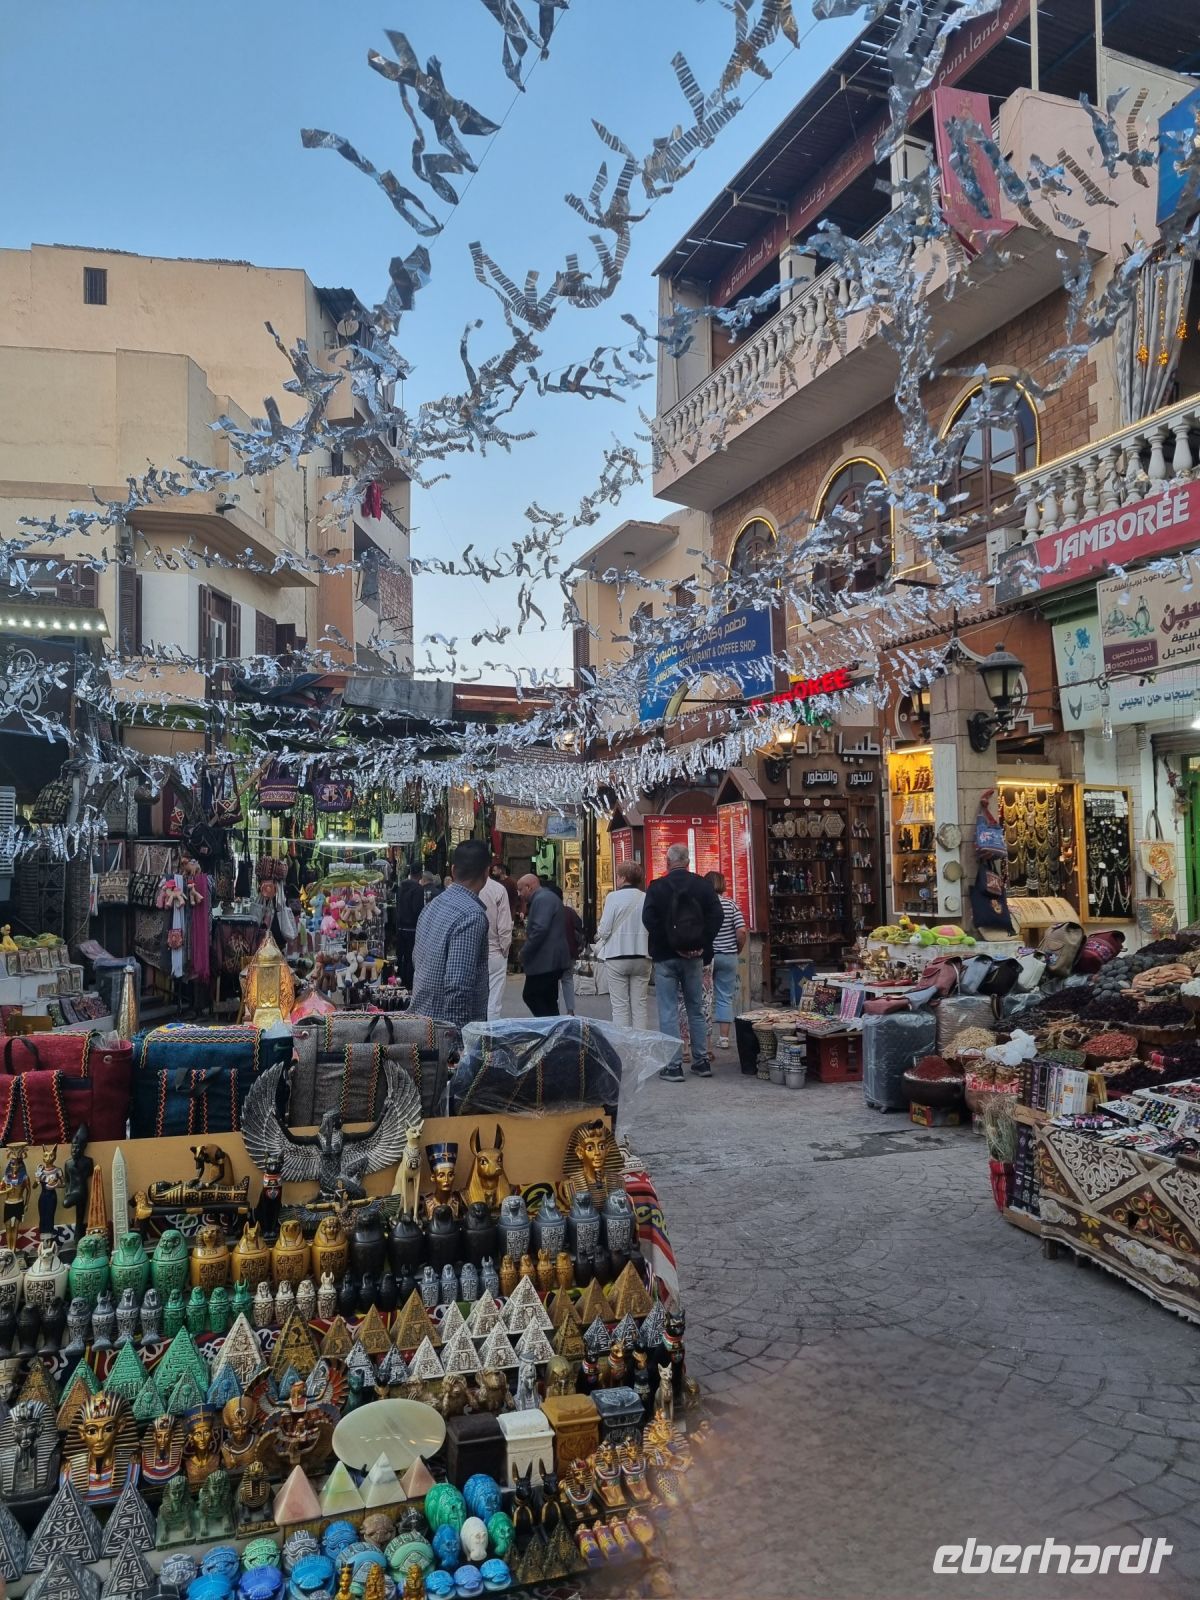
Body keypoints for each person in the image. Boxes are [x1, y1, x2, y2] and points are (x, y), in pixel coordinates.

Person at [641, 843, 723, 1082]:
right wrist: (701, 942)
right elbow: (717, 915)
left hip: (666, 957)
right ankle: (701, 1061)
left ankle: (673, 1066)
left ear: (667, 863)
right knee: (695, 1008)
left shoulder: (657, 888)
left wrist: (670, 942)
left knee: (667, 1010)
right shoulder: (703, 886)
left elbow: (649, 919)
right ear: (688, 862)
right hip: (695, 956)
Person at [409, 840, 491, 1028]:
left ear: (453, 871)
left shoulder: (433, 905)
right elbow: (458, 986)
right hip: (442, 1032)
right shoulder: (471, 916)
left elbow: (417, 959)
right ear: (486, 873)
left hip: (422, 1020)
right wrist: (457, 1044)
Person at [596, 860, 650, 1028]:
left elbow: (604, 930)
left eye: (618, 876)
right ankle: (641, 1045)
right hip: (642, 954)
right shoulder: (646, 897)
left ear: (623, 878)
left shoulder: (613, 897)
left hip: (617, 955)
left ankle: (623, 1045)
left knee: (620, 1007)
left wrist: (598, 933)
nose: (616, 879)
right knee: (640, 1006)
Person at [517, 872, 570, 1017]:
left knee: (532, 995)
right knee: (548, 999)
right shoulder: (545, 898)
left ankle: (549, 1028)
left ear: (529, 887)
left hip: (546, 960)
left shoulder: (542, 899)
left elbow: (540, 929)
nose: (519, 894)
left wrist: (525, 951)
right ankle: (554, 1029)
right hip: (550, 959)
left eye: (521, 889)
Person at [706, 870, 747, 1051]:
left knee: (704, 998)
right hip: (729, 956)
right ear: (722, 885)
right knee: (725, 997)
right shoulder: (731, 905)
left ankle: (704, 1038)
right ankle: (724, 1038)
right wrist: (737, 949)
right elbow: (741, 932)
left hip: (707, 957)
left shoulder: (702, 905)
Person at [478, 862, 514, 1020]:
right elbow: (504, 926)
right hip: (494, 951)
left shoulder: (454, 890)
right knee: (493, 1001)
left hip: (467, 952)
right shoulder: (498, 889)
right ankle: (490, 1037)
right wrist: (505, 949)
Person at [394, 863, 426, 990]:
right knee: (411, 958)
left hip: (401, 927)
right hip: (412, 929)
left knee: (401, 956)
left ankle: (399, 980)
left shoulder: (401, 887)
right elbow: (418, 909)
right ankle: (409, 984)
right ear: (420, 875)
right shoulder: (418, 889)